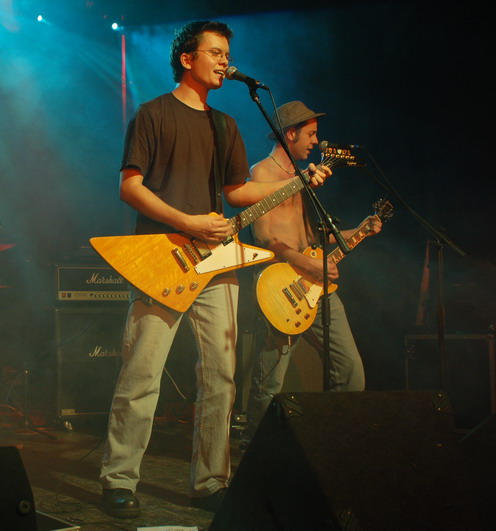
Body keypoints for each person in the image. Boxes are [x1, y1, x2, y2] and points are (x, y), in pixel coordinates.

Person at [98, 22, 331, 518]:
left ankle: (209, 482)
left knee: (222, 378)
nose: (226, 62)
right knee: (142, 373)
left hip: (218, 265)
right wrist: (186, 221)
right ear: (188, 59)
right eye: (216, 53)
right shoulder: (153, 114)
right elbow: (129, 186)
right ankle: (118, 479)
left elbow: (237, 193)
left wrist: (296, 182)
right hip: (163, 258)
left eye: (228, 54)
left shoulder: (225, 125)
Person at [239, 101, 380, 450]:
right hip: (281, 286)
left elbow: (313, 236)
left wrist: (357, 230)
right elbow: (267, 240)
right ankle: (255, 448)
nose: (316, 141)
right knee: (270, 381)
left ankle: (334, 444)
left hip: (317, 286)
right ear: (291, 133)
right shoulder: (261, 173)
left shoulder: (302, 178)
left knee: (349, 369)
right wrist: (309, 264)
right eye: (311, 134)